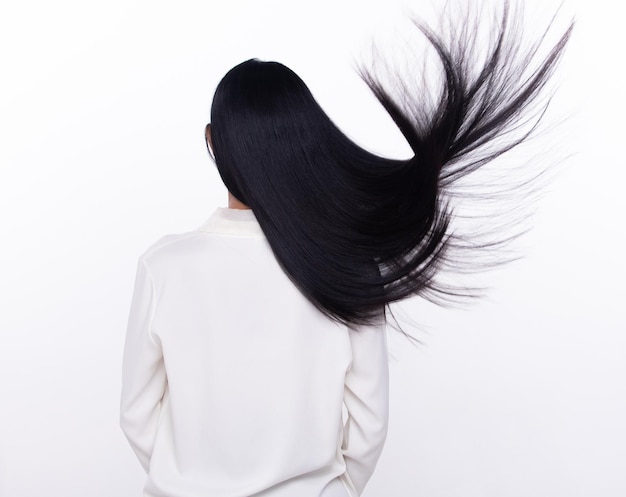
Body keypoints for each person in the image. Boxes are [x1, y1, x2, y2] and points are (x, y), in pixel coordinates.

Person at [120, 3, 572, 496]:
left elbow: (137, 414)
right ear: (307, 146)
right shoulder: (348, 265)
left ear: (213, 142)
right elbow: (369, 421)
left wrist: (186, 482)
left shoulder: (163, 267)